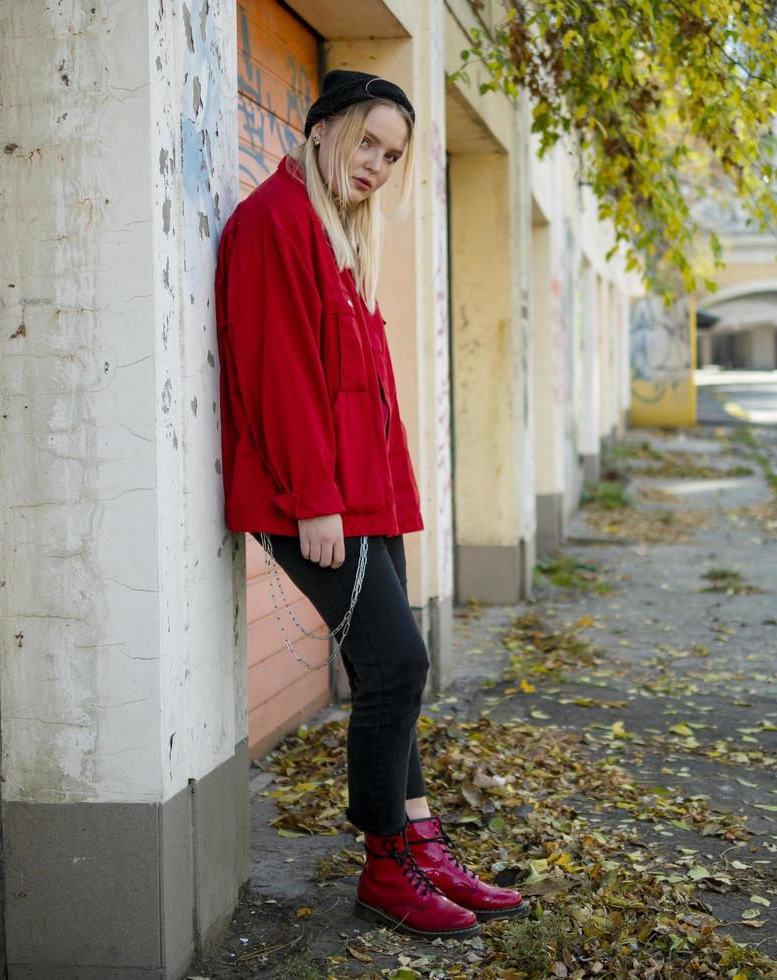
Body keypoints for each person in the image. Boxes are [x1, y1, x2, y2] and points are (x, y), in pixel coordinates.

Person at [214, 69, 526, 939]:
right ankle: (387, 869)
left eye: (392, 155)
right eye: (368, 144)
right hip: (311, 502)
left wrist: (377, 497)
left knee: (396, 667)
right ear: (321, 129)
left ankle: (419, 842)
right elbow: (280, 375)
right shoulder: (273, 224)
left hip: (360, 495)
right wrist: (315, 502)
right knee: (397, 665)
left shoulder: (334, 230)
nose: (378, 165)